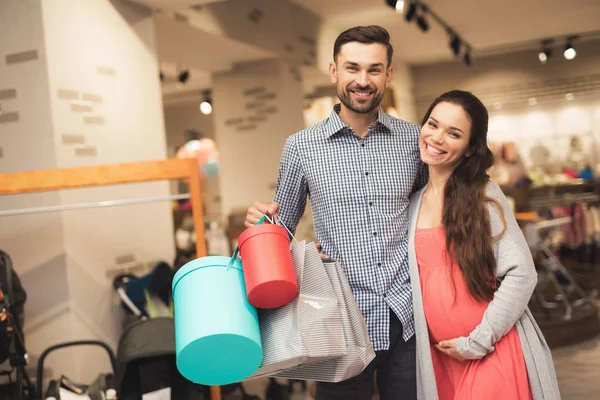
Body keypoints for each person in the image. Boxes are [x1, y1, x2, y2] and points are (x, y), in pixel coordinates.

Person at [245, 25, 426, 399]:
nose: (363, 80)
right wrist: (262, 224)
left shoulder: (415, 140)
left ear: (388, 74)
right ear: (334, 71)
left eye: (374, 69)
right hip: (338, 323)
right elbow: (283, 232)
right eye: (352, 68)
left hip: (407, 317)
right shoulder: (301, 147)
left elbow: (435, 217)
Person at [406, 90, 560, 400]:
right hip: (442, 361)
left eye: (454, 133)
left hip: (492, 352)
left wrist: (477, 341)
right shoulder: (412, 202)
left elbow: (522, 274)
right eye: (433, 125)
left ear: (468, 149)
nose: (436, 138)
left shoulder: (483, 195)